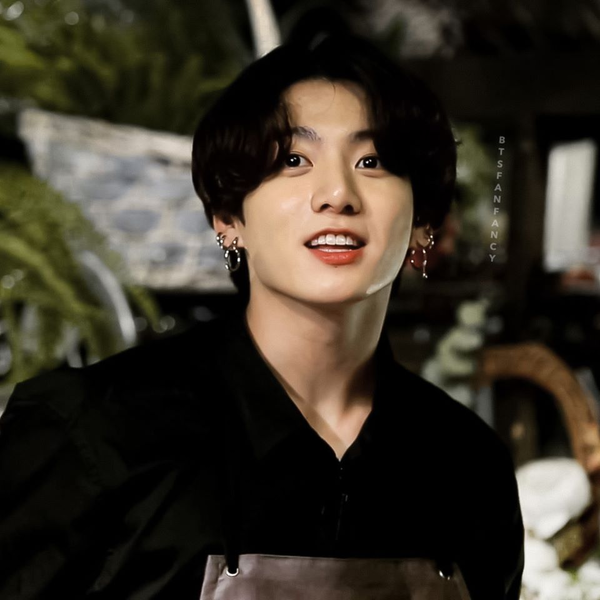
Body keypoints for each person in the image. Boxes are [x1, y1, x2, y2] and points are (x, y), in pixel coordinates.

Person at [0, 33, 524, 599]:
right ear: (229, 217)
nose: (337, 194)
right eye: (294, 160)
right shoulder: (89, 433)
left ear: (422, 223)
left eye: (372, 161)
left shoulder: (471, 466)